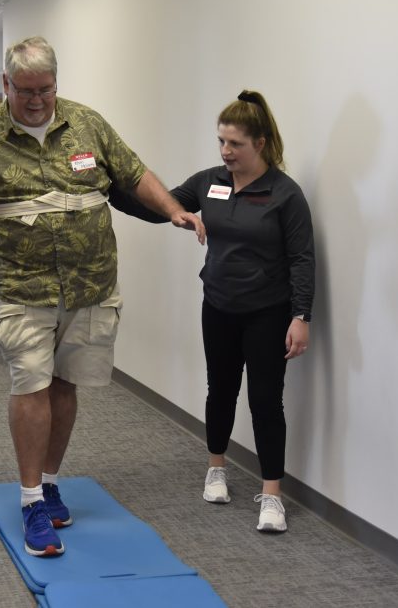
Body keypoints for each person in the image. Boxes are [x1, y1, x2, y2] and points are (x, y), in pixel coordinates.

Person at [0, 36, 201, 557]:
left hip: (90, 284)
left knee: (65, 386)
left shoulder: (87, 123)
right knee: (31, 383)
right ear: (6, 84)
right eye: (26, 91)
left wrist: (173, 209)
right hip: (21, 284)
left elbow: (133, 173)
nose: (37, 101)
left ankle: (51, 481)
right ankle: (32, 499)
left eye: (47, 90)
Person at [112, 90, 314, 533]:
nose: (225, 151)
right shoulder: (210, 181)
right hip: (218, 306)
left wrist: (302, 316)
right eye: (220, 142)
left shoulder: (285, 194)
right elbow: (162, 206)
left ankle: (272, 494)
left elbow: (302, 258)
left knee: (265, 401)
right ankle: (216, 467)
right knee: (219, 390)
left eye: (234, 144)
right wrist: (112, 188)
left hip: (267, 312)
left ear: (260, 143)